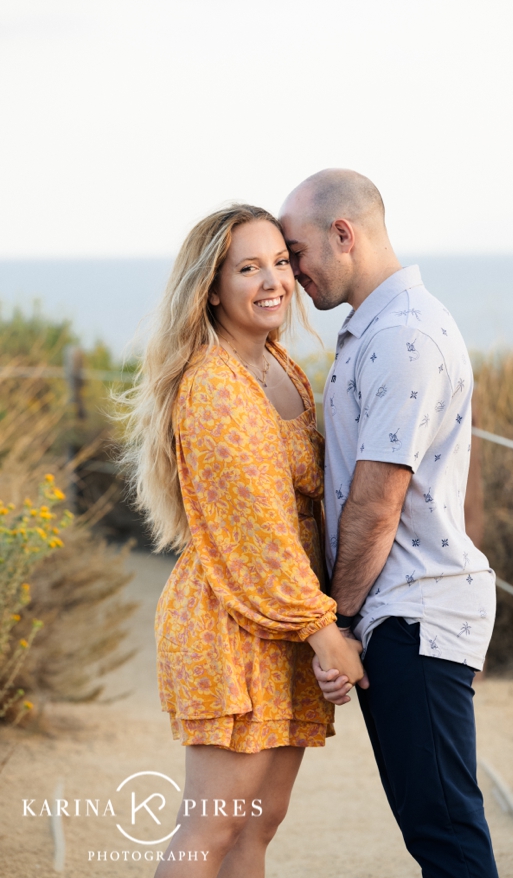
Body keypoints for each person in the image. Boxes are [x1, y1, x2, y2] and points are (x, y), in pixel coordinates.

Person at [120, 204, 364, 877]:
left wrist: (314, 627)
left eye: (281, 262)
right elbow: (259, 533)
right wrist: (327, 634)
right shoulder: (215, 386)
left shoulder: (281, 366)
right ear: (212, 286)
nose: (273, 281)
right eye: (248, 267)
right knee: (212, 826)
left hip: (283, 620)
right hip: (231, 621)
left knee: (257, 829)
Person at [279, 169, 500, 878]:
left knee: (447, 837)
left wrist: (335, 621)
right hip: (406, 611)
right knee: (434, 830)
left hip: (416, 617)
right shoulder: (376, 328)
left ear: (344, 235)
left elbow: (377, 502)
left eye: (295, 251)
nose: (291, 272)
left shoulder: (405, 335)